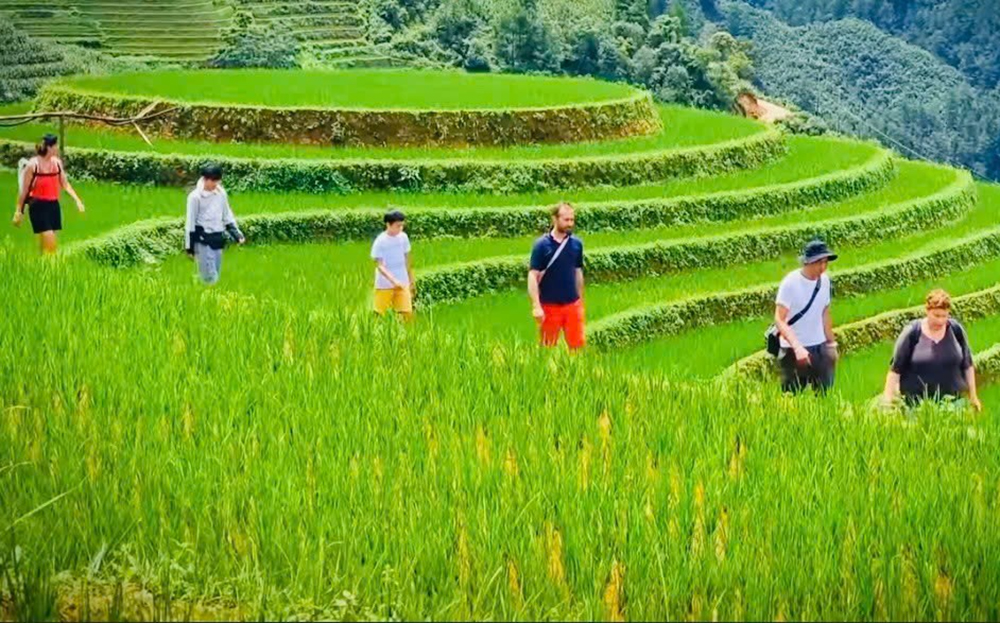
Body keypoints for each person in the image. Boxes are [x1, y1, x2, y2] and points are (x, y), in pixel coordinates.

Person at [881, 289, 982, 410]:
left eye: (944, 316)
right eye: (936, 315)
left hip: (953, 404)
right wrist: (887, 400)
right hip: (917, 407)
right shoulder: (913, 332)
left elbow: (967, 364)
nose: (940, 321)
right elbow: (895, 369)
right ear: (927, 311)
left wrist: (973, 396)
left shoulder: (955, 330)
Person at [774, 239, 838, 393]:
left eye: (825, 262)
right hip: (792, 350)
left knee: (825, 396)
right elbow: (779, 319)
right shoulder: (790, 283)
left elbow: (824, 313)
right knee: (792, 399)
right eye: (818, 263)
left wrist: (831, 344)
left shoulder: (825, 281)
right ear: (807, 262)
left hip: (819, 348)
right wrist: (797, 348)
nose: (822, 268)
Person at [12, 134, 85, 254]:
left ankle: (42, 267)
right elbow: (24, 190)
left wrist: (77, 200)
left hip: (53, 205)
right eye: (55, 146)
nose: (57, 148)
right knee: (50, 240)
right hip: (38, 205)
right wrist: (18, 211)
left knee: (46, 244)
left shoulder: (57, 163)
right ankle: (51, 266)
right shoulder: (33, 165)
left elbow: (65, 184)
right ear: (49, 148)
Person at [528, 202, 585, 349]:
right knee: (547, 347)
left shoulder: (577, 244)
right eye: (566, 220)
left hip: (572, 305)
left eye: (572, 220)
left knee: (577, 347)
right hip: (549, 306)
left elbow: (578, 272)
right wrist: (536, 306)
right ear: (555, 219)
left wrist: (580, 301)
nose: (570, 224)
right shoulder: (541, 245)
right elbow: (533, 276)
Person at [184, 164, 245, 285]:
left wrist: (236, 234)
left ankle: (199, 289)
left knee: (215, 274)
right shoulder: (195, 197)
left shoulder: (221, 193)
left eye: (217, 181)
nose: (215, 184)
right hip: (203, 239)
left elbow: (226, 215)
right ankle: (207, 298)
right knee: (210, 278)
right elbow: (190, 222)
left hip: (217, 238)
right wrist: (189, 247)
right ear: (205, 179)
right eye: (212, 181)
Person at [371, 210, 414, 320]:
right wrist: (393, 281)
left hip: (402, 281)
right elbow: (380, 266)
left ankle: (403, 335)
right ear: (388, 224)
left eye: (402, 226)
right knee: (379, 314)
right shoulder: (380, 241)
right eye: (398, 226)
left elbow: (407, 259)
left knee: (406, 313)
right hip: (384, 284)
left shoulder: (403, 237)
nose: (400, 229)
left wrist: (411, 279)